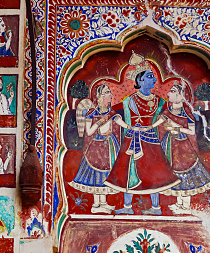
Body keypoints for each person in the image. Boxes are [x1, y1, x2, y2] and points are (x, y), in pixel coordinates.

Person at [104, 52, 180, 215]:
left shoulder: (160, 102)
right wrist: (126, 125)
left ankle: (156, 208)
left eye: (153, 76)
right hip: (131, 140)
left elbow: (168, 116)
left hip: (151, 141)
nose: (154, 79)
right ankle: (127, 207)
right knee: (127, 171)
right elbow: (112, 114)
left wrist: (157, 124)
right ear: (140, 81)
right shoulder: (128, 100)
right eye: (150, 76)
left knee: (155, 173)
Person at [158, 81, 210, 213]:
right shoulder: (168, 112)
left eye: (173, 91)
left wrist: (177, 128)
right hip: (172, 147)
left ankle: (185, 205)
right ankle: (179, 203)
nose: (169, 93)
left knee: (186, 175)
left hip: (184, 148)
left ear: (181, 95)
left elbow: (191, 131)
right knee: (175, 175)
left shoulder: (186, 112)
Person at [70, 83, 128, 214]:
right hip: (96, 149)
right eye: (107, 92)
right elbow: (89, 132)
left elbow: (122, 124)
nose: (111, 95)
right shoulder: (91, 113)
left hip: (108, 148)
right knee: (97, 175)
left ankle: (103, 203)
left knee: (106, 175)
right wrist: (99, 123)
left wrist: (133, 128)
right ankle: (96, 205)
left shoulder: (111, 112)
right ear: (100, 96)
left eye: (110, 93)